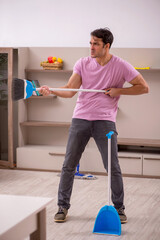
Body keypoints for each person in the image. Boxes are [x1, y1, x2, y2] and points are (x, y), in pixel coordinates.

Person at [39, 28, 149, 224]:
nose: (91, 47)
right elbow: (69, 90)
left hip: (105, 121)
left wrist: (118, 90)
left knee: (112, 166)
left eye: (95, 44)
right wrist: (51, 90)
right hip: (80, 119)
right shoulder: (83, 63)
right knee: (68, 165)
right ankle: (62, 206)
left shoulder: (121, 66)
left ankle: (119, 208)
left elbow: (143, 87)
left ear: (106, 46)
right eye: (90, 43)